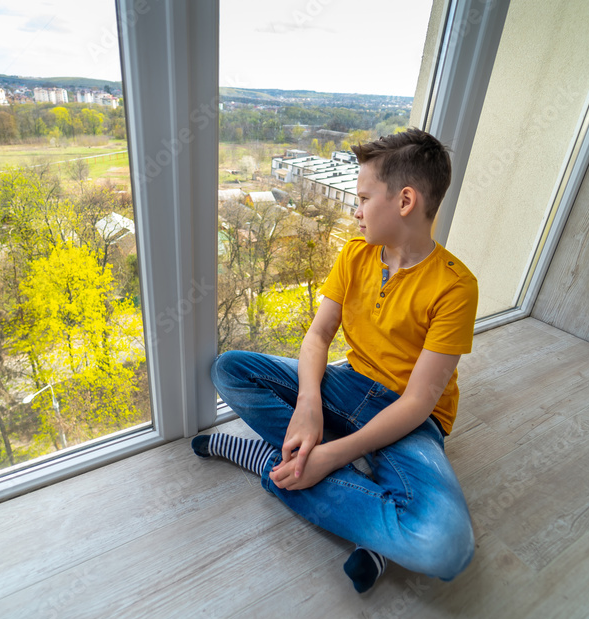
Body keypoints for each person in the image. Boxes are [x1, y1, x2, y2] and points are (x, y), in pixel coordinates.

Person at [194, 128, 478, 593]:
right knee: (230, 368)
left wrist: (331, 454)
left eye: (364, 197)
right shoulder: (354, 255)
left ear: (405, 201)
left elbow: (418, 402)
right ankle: (367, 505)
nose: (355, 208)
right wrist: (308, 404)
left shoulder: (455, 287)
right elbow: (318, 336)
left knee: (447, 547)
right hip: (346, 385)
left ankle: (271, 462)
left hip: (407, 419)